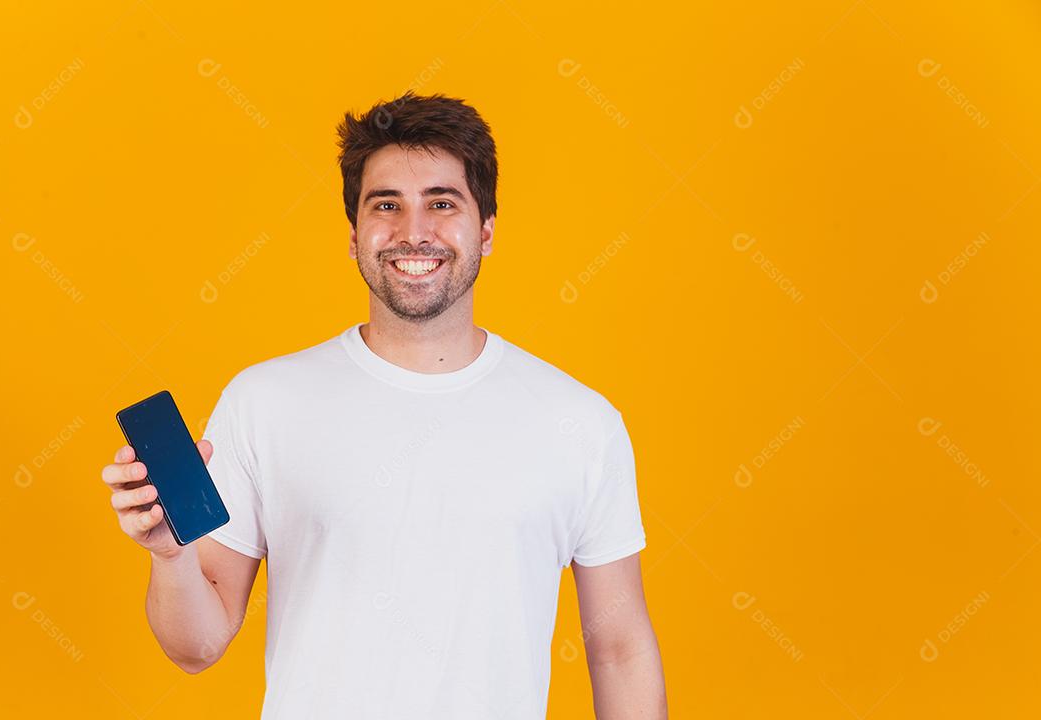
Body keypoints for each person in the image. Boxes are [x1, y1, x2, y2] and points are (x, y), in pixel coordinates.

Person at [101, 91, 667, 719]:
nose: (413, 231)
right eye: (386, 204)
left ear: (486, 232)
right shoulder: (264, 401)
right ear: (353, 234)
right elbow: (197, 646)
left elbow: (618, 649)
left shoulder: (579, 424)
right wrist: (171, 555)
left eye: (442, 203)